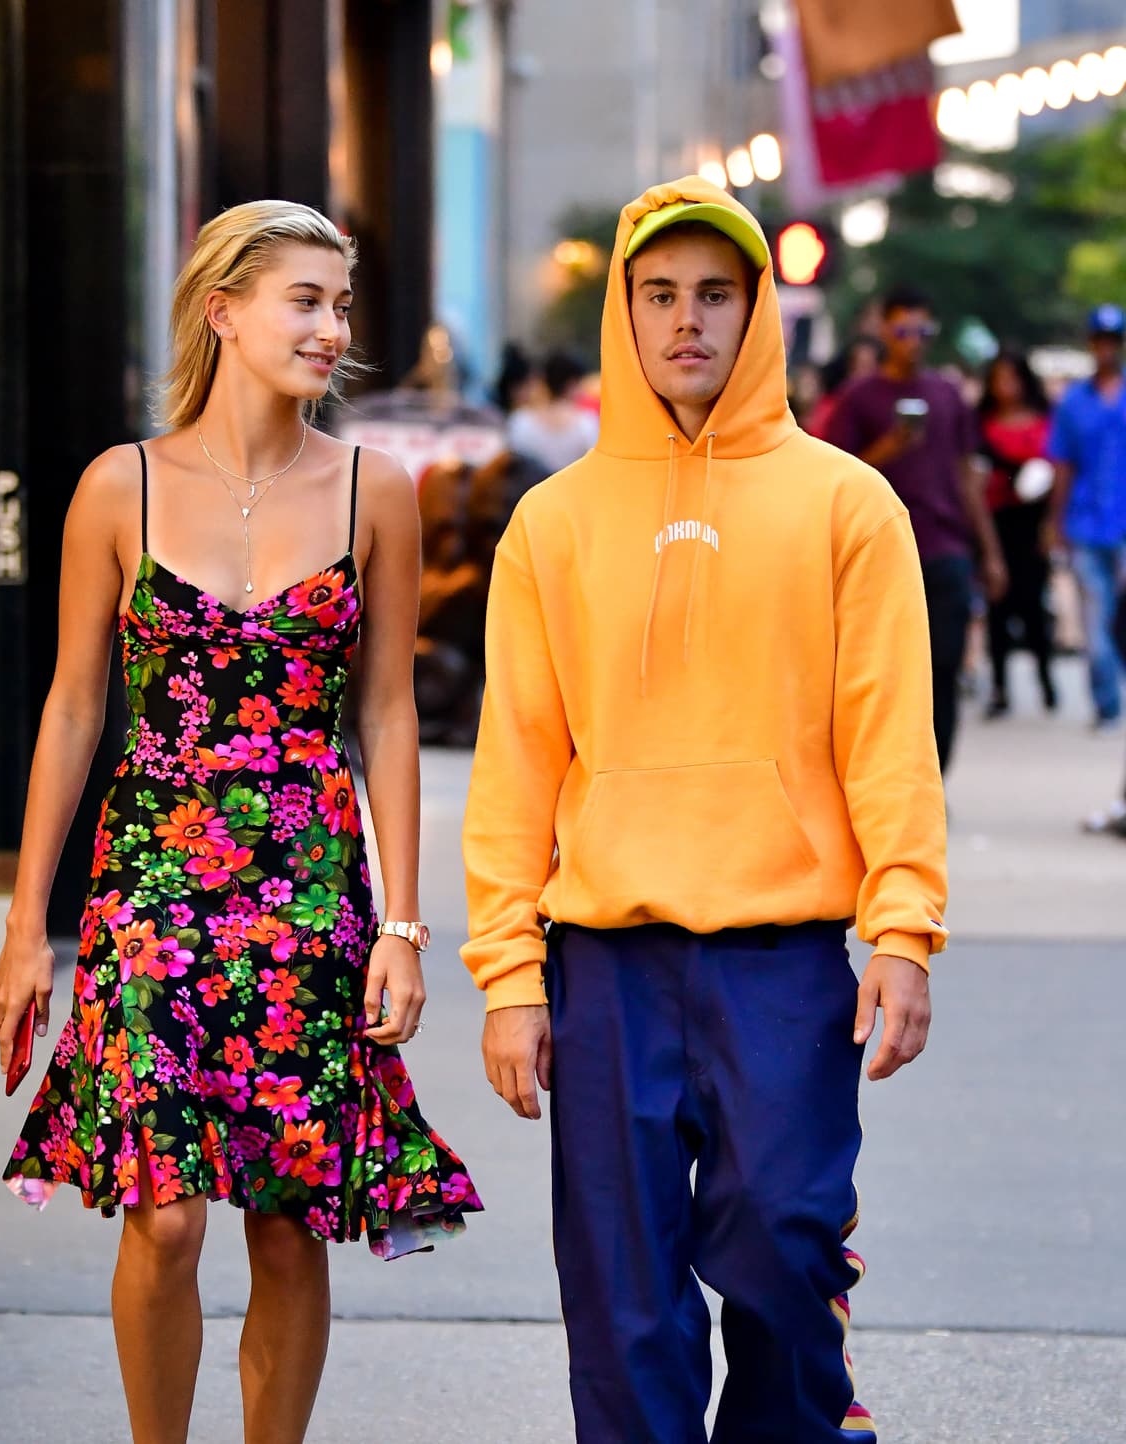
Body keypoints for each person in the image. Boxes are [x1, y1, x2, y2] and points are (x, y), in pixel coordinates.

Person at [461, 176, 946, 1443]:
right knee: (620, 1300)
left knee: (785, 1244)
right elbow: (513, 759)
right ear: (624, 313)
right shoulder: (551, 523)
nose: (686, 321)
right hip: (603, 959)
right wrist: (508, 975)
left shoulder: (846, 503)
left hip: (780, 954)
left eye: (714, 295)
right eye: (658, 294)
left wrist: (901, 931)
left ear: (756, 313)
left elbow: (887, 739)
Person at [0, 199, 480, 1444]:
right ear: (224, 311)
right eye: (305, 300)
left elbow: (384, 718)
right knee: (161, 1213)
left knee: (287, 1212)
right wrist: (23, 930)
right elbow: (71, 708)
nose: (334, 327)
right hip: (149, 891)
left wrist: (404, 925)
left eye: (341, 303)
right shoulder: (121, 486)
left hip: (309, 891)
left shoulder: (377, 490)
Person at [830, 285, 1007, 772]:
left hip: (944, 548)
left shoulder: (947, 394)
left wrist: (989, 553)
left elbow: (968, 478)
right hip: (879, 553)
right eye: (904, 329)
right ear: (886, 329)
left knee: (944, 670)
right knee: (884, 676)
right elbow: (834, 478)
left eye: (923, 330)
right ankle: (890, 779)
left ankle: (934, 781)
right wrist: (889, 448)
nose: (914, 340)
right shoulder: (859, 398)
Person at [1045, 303, 1126, 729]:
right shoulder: (1074, 402)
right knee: (1096, 620)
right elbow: (1063, 465)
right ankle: (1107, 701)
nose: (1107, 349)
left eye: (1114, 341)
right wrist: (1053, 524)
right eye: (1101, 341)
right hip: (1087, 523)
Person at [977, 350, 1057, 717]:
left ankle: (1045, 676)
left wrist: (1051, 524)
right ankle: (1000, 685)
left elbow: (1057, 469)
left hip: (1033, 521)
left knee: (1033, 603)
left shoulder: (1044, 420)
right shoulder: (982, 424)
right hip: (996, 521)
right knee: (998, 605)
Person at [505, 348, 600, 476]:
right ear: (572, 384)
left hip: (530, 493)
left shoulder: (520, 421)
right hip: (573, 493)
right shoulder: (586, 423)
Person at [806, 334, 883, 442]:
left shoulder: (884, 406)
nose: (861, 373)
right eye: (857, 365)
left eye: (868, 366)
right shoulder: (833, 404)